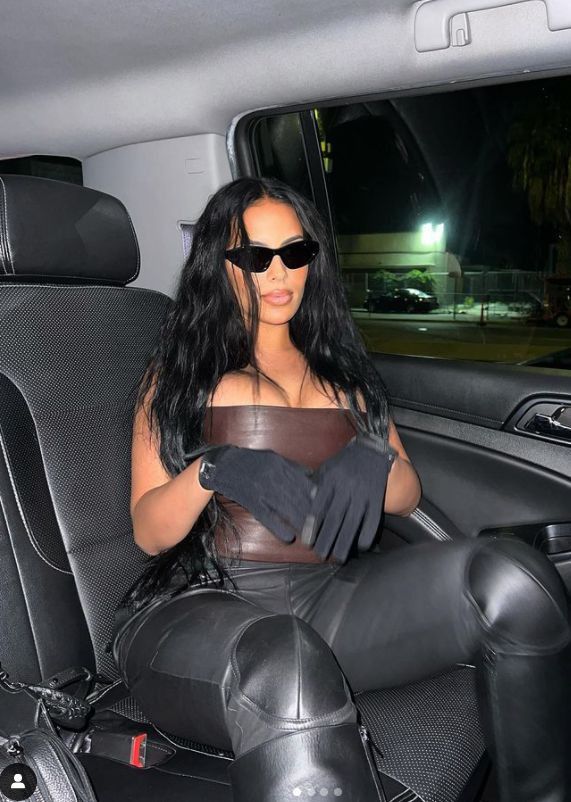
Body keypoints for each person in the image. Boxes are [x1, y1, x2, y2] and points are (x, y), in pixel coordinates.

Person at [110, 176, 571, 802]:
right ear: (219, 263)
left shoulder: (341, 375)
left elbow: (406, 495)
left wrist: (374, 459)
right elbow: (149, 532)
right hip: (205, 605)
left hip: (330, 598)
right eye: (255, 256)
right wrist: (212, 468)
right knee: (289, 664)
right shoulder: (180, 372)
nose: (279, 273)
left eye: (295, 253)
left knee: (513, 581)